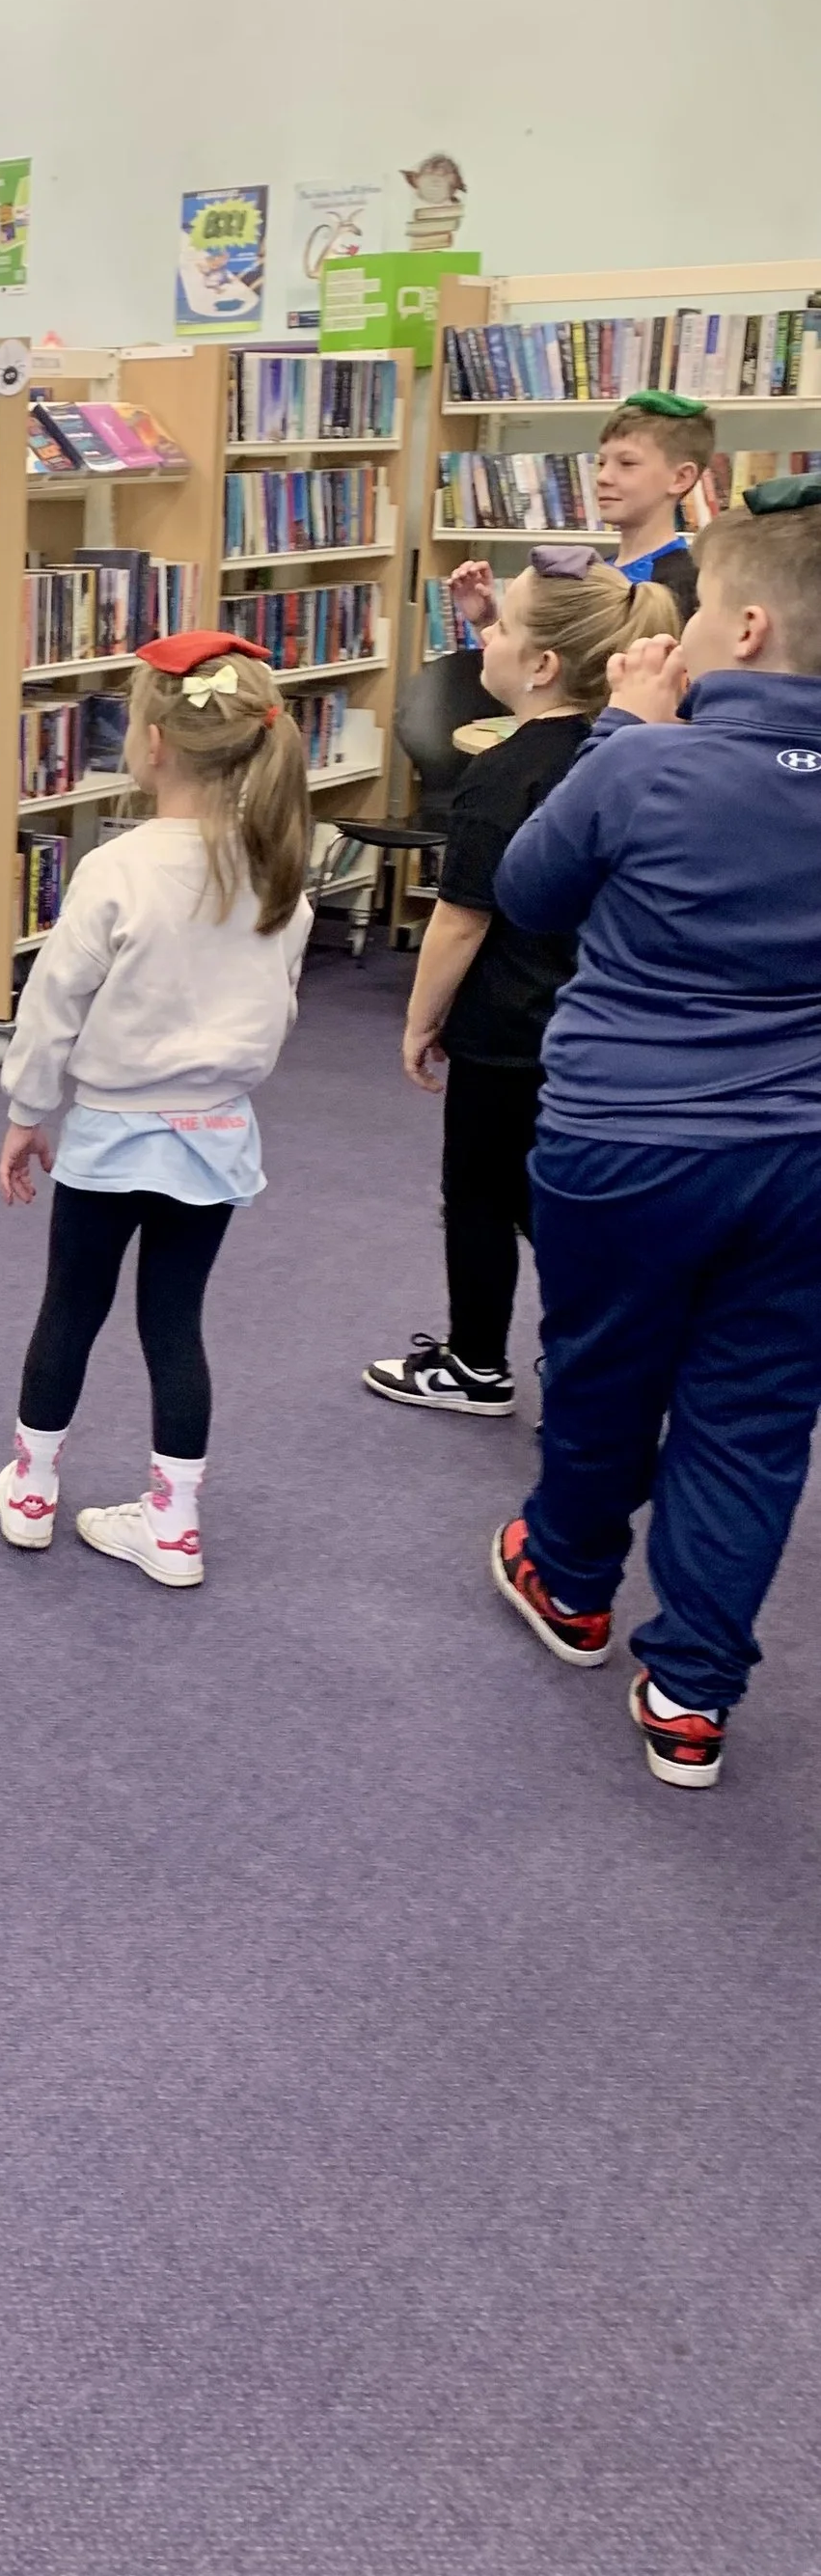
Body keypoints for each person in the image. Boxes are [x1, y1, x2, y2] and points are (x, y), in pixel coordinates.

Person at [484, 484, 821, 1790]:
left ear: (742, 628)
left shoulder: (642, 758)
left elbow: (527, 891)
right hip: (804, 1156)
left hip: (626, 1141)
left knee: (604, 1366)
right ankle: (691, 1692)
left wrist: (622, 723)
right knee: (756, 1413)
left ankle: (568, 1581)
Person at [0, 633, 313, 1589]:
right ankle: (172, 1527)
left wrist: (25, 1112)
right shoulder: (279, 874)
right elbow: (276, 1013)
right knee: (175, 1326)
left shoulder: (116, 870)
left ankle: (34, 1490)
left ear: (154, 745)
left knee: (70, 1311)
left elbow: (53, 1007)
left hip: (109, 1137)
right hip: (214, 1136)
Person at [363, 550, 674, 1416]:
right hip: (594, 1021)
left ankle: (475, 1362)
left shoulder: (502, 773)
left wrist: (420, 1021)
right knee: (557, 1198)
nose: (483, 636)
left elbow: (462, 918)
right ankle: (612, 1358)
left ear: (540, 667)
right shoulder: (628, 753)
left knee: (479, 1193)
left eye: (498, 627)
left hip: (507, 1028)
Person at [594, 391, 714, 607]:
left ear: (681, 477)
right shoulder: (594, 574)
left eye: (627, 463)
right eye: (601, 463)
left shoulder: (688, 589)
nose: (602, 478)